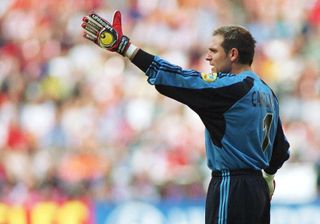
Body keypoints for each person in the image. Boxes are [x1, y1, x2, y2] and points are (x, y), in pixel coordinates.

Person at [81, 11, 290, 224]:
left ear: (233, 54)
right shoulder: (267, 92)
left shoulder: (230, 88)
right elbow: (280, 150)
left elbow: (180, 78)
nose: (208, 57)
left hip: (231, 185)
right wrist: (268, 177)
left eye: (214, 51)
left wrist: (126, 48)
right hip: (258, 190)